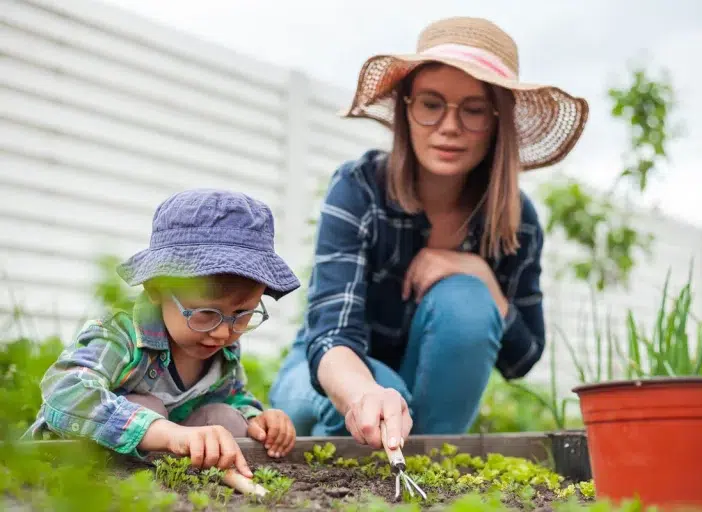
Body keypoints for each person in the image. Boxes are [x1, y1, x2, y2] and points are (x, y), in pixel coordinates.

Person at [269, 16, 589, 452]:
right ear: (406, 108)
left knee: (467, 299)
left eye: (474, 109)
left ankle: (433, 460)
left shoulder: (519, 220)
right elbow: (331, 337)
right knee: (366, 394)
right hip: (340, 372)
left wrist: (480, 275)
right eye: (431, 103)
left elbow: (522, 358)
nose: (450, 126)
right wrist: (368, 395)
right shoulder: (359, 188)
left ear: (498, 122)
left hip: (436, 409)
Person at [23, 189, 301, 477]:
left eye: (243, 315)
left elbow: (231, 396)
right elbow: (64, 392)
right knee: (147, 405)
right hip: (68, 466)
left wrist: (258, 419)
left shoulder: (222, 346)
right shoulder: (120, 333)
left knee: (225, 419)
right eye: (206, 313)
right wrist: (162, 431)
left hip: (157, 465)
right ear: (156, 288)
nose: (222, 333)